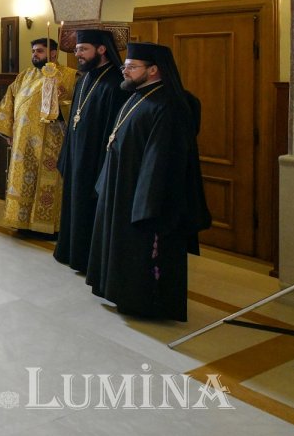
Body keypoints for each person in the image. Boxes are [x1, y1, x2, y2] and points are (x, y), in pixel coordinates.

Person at [87, 42, 210, 321]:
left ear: (154, 70)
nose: (125, 72)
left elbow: (162, 158)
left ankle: (146, 305)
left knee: (143, 252)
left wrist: (146, 204)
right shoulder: (137, 94)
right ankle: (120, 294)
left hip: (148, 198)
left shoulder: (170, 105)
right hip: (123, 188)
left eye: (132, 67)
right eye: (124, 67)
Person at [0, 38, 78, 234]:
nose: (34, 55)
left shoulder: (70, 76)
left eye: (40, 51)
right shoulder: (24, 76)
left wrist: (59, 103)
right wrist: (8, 131)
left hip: (52, 141)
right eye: (33, 51)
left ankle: (47, 227)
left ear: (53, 53)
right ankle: (22, 222)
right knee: (23, 180)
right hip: (22, 142)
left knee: (47, 182)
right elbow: (8, 103)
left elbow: (77, 109)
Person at [54, 29, 128, 272]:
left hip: (96, 159)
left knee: (90, 210)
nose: (78, 54)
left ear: (102, 49)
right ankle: (73, 254)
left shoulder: (115, 83)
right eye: (76, 49)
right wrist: (66, 156)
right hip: (77, 156)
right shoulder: (84, 78)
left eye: (83, 49)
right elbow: (74, 118)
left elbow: (113, 131)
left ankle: (89, 261)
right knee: (75, 207)